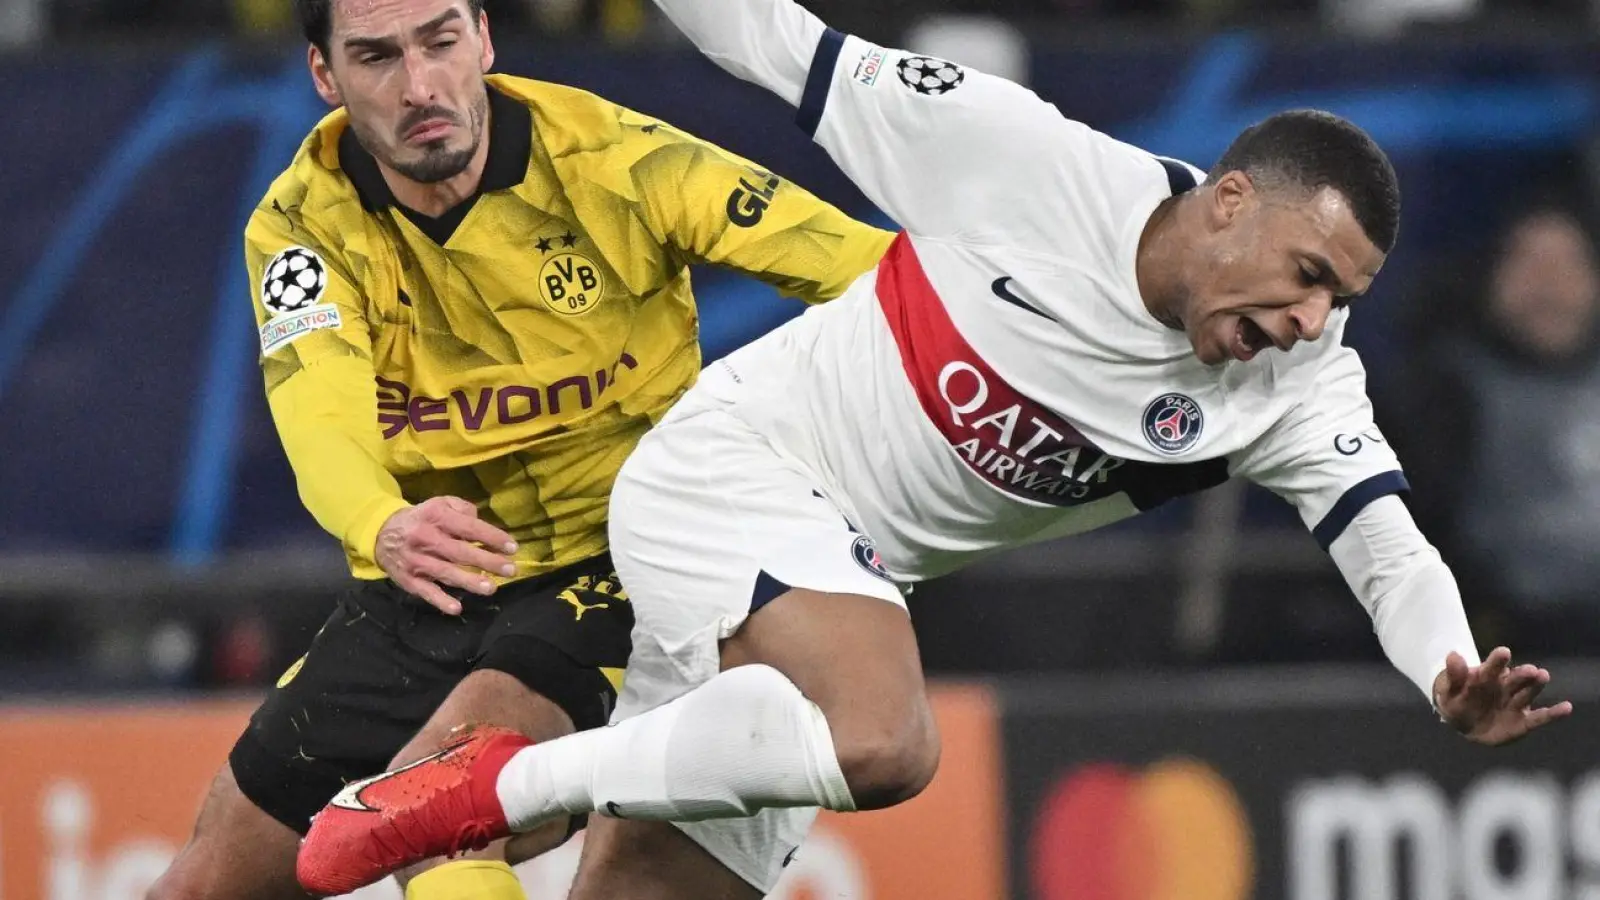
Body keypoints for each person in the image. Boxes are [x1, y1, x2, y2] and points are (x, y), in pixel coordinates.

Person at [292, 0, 1574, 896]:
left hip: (830, 582)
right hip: (734, 471)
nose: (1309, 318)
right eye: (1303, 275)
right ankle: (496, 789)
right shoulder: (1023, 162)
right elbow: (772, 41)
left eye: (1339, 298)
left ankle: (478, 796)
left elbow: (1387, 551)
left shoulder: (1299, 380)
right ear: (1228, 203)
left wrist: (1443, 672)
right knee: (887, 741)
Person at [144, 1, 893, 898]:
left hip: (622, 556)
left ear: (485, 38)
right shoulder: (301, 227)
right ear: (325, 76)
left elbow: (862, 268)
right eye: (376, 56)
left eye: (440, 42)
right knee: (200, 885)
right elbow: (319, 413)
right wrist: (381, 523)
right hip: (432, 574)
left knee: (434, 816)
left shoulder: (614, 159)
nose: (419, 86)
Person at [1386, 201, 1600, 657]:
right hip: (1503, 642)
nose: (1549, 286)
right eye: (1529, 262)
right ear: (1490, 278)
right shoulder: (1442, 395)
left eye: (1568, 265)